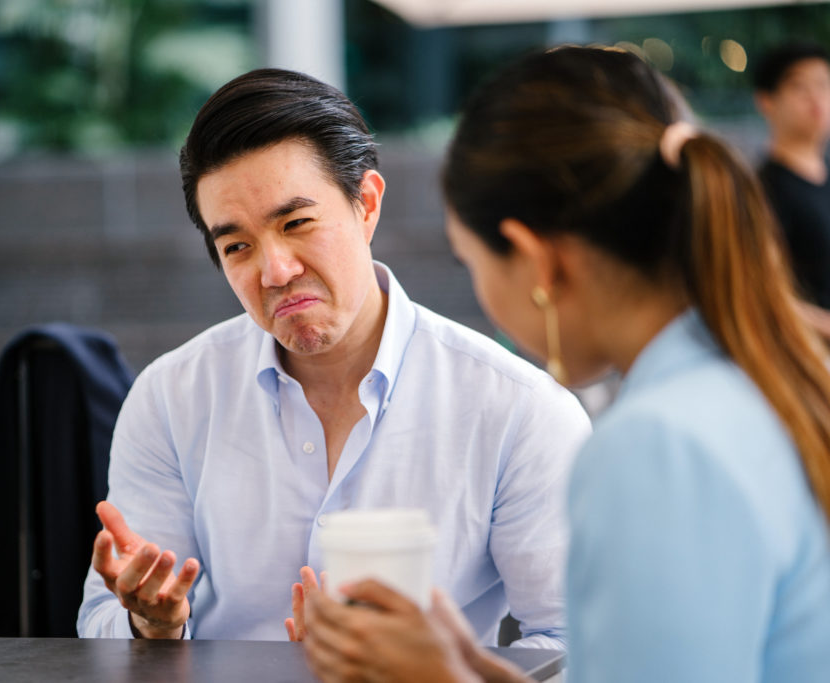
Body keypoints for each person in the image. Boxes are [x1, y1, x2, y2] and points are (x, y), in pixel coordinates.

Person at [302, 46, 830, 682]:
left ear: (534, 258)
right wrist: (470, 666)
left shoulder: (653, 445)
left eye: (472, 262)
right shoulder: (761, 380)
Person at [76, 68, 591, 644]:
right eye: (237, 246)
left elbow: (574, 643)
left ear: (365, 204)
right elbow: (101, 624)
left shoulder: (518, 409)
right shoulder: (171, 396)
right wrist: (150, 622)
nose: (275, 271)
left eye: (296, 223)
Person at [754, 43, 830, 336]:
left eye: (823, 85)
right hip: (810, 356)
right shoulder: (762, 190)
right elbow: (761, 292)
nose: (816, 99)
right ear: (767, 101)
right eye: (799, 87)